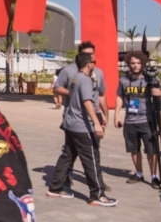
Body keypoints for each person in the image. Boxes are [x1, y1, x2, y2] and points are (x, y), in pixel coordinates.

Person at [46, 53, 116, 206]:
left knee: (68, 156)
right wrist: (97, 123)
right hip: (82, 126)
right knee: (91, 159)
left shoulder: (74, 78)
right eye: (94, 62)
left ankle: (55, 187)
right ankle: (97, 194)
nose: (95, 65)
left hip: (71, 123)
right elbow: (87, 102)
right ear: (88, 64)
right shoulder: (85, 80)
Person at [53, 41, 110, 191]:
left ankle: (98, 182)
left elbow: (101, 94)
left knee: (94, 150)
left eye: (91, 54)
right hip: (76, 116)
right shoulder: (69, 71)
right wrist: (74, 93)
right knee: (74, 152)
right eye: (86, 54)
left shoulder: (98, 72)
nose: (90, 57)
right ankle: (68, 179)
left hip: (93, 114)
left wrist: (105, 113)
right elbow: (57, 88)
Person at [115, 52, 161, 189]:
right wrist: (116, 114)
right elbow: (120, 96)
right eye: (133, 63)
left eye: (138, 63)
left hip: (147, 119)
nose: (135, 66)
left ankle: (154, 176)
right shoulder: (124, 79)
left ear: (142, 63)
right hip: (130, 120)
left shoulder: (150, 79)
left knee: (151, 149)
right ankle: (138, 173)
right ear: (129, 64)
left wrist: (159, 93)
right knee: (133, 149)